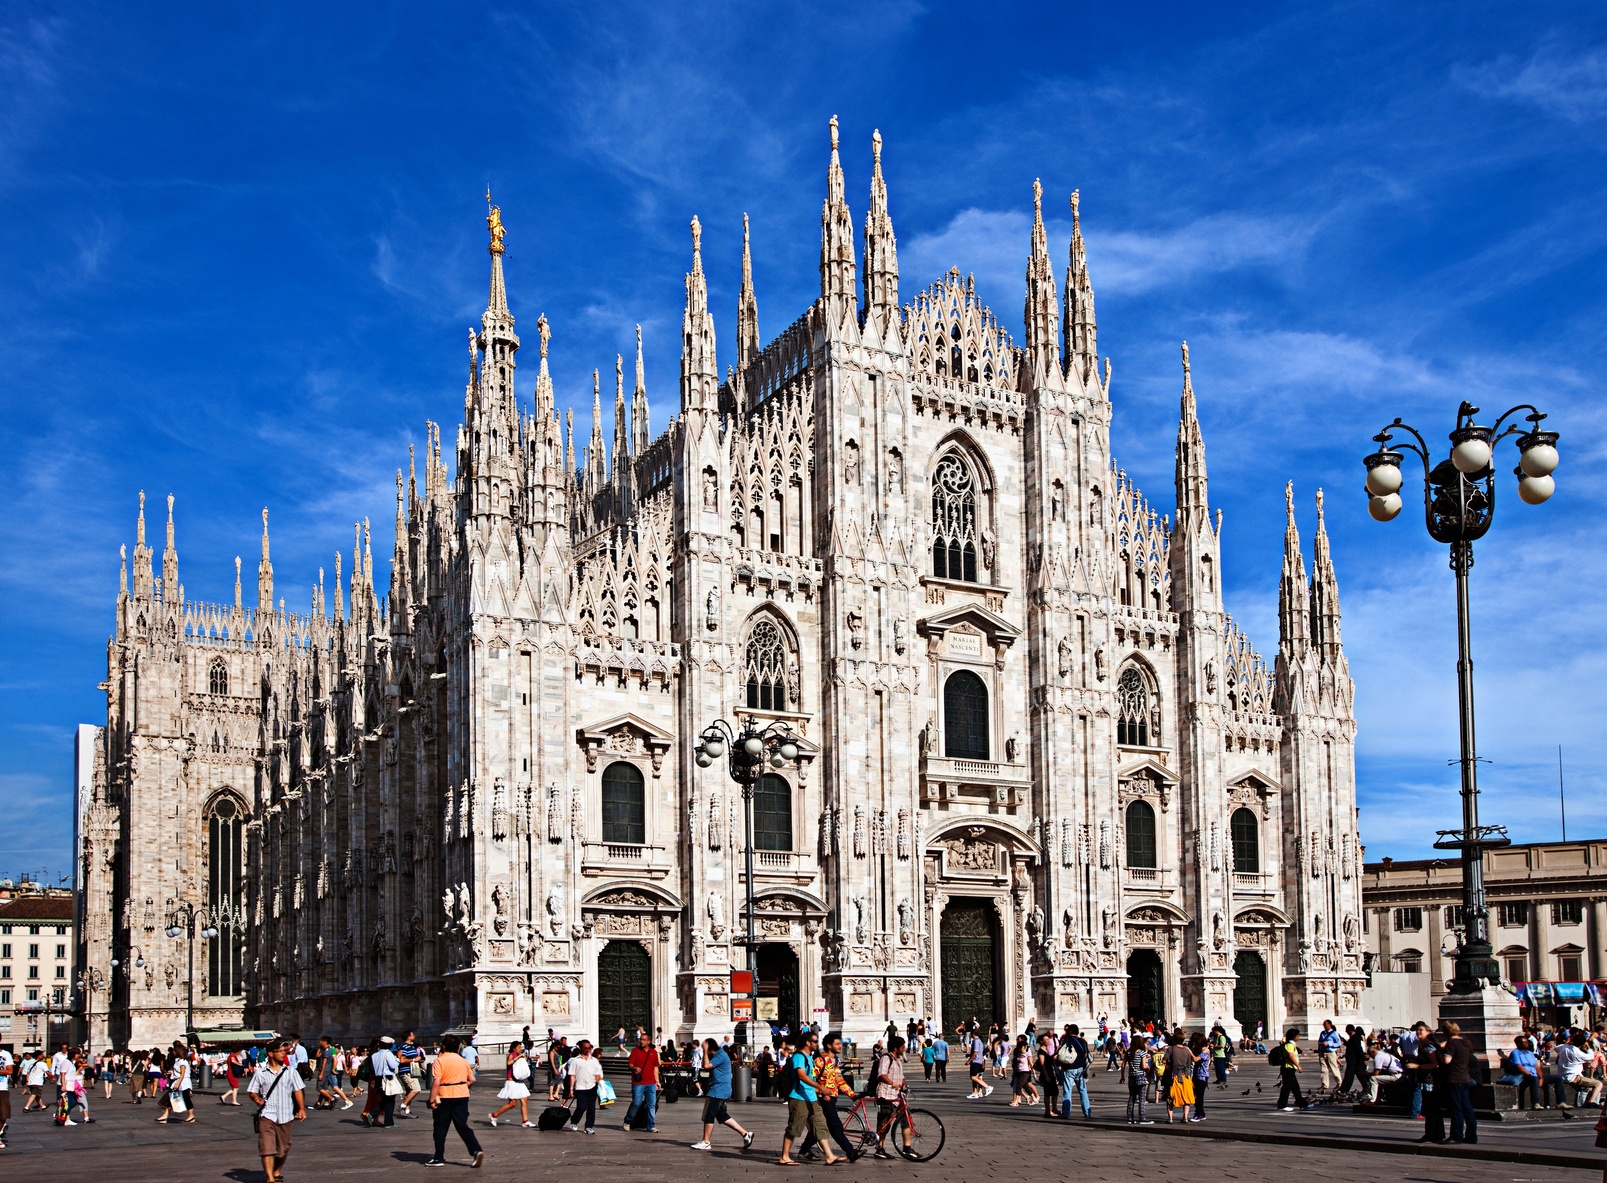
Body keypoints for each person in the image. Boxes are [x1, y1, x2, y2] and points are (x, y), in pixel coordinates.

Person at [777, 1031, 843, 1165]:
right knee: (795, 1127)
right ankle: (784, 1156)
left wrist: (820, 1091)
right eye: (815, 1041)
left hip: (812, 1097)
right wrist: (821, 1087)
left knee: (820, 1125)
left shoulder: (809, 1057)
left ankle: (829, 1156)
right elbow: (801, 1075)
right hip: (798, 1097)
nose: (817, 1044)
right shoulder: (799, 1057)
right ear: (808, 1043)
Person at [248, 1039, 307, 1183]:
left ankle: (276, 1171)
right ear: (271, 1054)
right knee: (267, 1148)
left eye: (285, 1052)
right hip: (267, 1114)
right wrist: (256, 1099)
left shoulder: (291, 1072)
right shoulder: (260, 1073)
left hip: (286, 1115)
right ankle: (270, 1179)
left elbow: (298, 1090)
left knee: (283, 1149)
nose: (284, 1054)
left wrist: (301, 1108)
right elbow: (252, 1091)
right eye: (280, 1051)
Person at [425, 1033, 484, 1168]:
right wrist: (461, 1086)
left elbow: (436, 1082)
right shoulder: (463, 1061)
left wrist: (431, 1099)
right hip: (462, 1095)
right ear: (458, 1048)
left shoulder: (440, 1061)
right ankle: (476, 1149)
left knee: (440, 1127)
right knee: (462, 1125)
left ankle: (438, 1157)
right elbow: (472, 1079)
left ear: (443, 1047)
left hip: (445, 1096)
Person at [799, 1033, 857, 1162]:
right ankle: (850, 1151)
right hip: (822, 1098)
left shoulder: (835, 1060)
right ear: (829, 1045)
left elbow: (838, 1080)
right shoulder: (820, 1060)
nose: (840, 1046)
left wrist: (852, 1094)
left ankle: (804, 1150)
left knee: (821, 1125)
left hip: (831, 1097)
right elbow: (812, 1078)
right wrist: (821, 1093)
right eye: (837, 1044)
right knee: (835, 1125)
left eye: (840, 1044)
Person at [690, 1037, 754, 1151]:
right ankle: (746, 1134)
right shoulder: (719, 1055)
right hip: (720, 1090)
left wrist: (704, 1051)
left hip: (718, 1091)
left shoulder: (720, 1055)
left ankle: (706, 1141)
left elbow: (706, 1066)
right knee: (722, 1116)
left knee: (709, 1115)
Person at [872, 1036, 911, 1159]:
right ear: (896, 1048)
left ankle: (907, 1148)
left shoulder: (898, 1060)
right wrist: (891, 1083)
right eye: (902, 1047)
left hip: (899, 1096)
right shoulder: (886, 1058)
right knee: (884, 1124)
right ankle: (879, 1148)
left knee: (907, 1120)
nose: (904, 1049)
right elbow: (881, 1074)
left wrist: (904, 1083)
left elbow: (901, 1076)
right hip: (887, 1095)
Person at [489, 1042, 533, 1128]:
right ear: (514, 1048)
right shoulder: (511, 1055)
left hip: (519, 1082)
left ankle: (525, 1121)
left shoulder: (519, 1055)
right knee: (512, 1103)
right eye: (519, 1047)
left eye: (521, 1047)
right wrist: (518, 1057)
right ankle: (494, 1115)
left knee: (524, 1100)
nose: (520, 1049)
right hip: (511, 1082)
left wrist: (523, 1057)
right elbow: (509, 1063)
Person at [623, 1030, 660, 1132]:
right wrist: (634, 1068)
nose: (641, 1042)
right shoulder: (635, 1051)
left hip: (651, 1082)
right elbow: (630, 1064)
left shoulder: (653, 1052)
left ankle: (651, 1125)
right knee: (636, 1103)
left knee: (651, 1104)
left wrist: (657, 1081)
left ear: (648, 1041)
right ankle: (628, 1121)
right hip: (638, 1083)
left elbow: (655, 1068)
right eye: (640, 1040)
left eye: (644, 1040)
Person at [564, 1040, 604, 1133]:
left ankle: (589, 1126)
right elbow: (572, 1075)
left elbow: (598, 1073)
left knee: (591, 1108)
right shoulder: (575, 1061)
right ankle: (574, 1120)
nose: (587, 1050)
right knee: (581, 1107)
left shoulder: (594, 1061)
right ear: (580, 1048)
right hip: (580, 1087)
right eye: (585, 1048)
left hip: (592, 1086)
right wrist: (571, 1089)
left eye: (589, 1048)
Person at [365, 1036, 401, 1128]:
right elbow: (393, 1065)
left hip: (378, 1079)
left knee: (387, 1100)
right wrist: (398, 1058)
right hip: (387, 1079)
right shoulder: (388, 1053)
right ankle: (372, 1114)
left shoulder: (374, 1055)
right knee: (388, 1099)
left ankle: (389, 1122)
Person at [1057, 1023, 1091, 1119]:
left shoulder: (1067, 1041)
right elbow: (1085, 1054)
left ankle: (1066, 1113)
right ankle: (1087, 1112)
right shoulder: (1083, 1042)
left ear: (1070, 1031)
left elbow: (1061, 1053)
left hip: (1069, 1069)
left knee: (1067, 1091)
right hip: (1080, 1069)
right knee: (1083, 1090)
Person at [1274, 1029, 1312, 1112]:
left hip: (1290, 1068)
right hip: (1288, 1068)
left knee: (1295, 1088)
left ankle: (1302, 1104)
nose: (1298, 1037)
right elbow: (1291, 1056)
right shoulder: (1290, 1045)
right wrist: (1298, 1066)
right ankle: (1282, 1105)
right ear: (1293, 1036)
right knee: (1286, 1088)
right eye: (1297, 1035)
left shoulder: (1291, 1044)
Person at [1123, 1036, 1153, 1124]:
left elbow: (1123, 1065)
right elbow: (1143, 1066)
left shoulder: (1128, 1052)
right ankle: (1142, 1117)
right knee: (1142, 1098)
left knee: (1132, 1097)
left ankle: (1130, 1118)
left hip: (1131, 1076)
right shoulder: (1142, 1053)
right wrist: (1148, 1068)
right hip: (1140, 1076)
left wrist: (1122, 1076)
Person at [1508, 1034, 1541, 1110]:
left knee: (1557, 1078)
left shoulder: (1530, 1053)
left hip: (1534, 1074)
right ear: (1518, 1044)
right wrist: (1529, 1074)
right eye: (1524, 1042)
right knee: (1533, 1079)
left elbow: (1537, 1066)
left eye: (1527, 1041)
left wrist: (1541, 1077)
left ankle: (1561, 1102)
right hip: (1524, 1076)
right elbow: (1519, 1066)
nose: (1526, 1043)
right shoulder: (1515, 1053)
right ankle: (1535, 1103)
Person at [397, 1030, 425, 1118]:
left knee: (409, 1092)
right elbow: (401, 1059)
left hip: (411, 1072)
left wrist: (418, 1059)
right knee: (416, 1089)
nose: (415, 1036)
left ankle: (407, 1111)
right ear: (408, 1036)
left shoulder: (411, 1046)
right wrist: (414, 1060)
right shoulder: (404, 1046)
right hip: (406, 1072)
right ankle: (402, 1106)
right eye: (413, 1034)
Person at [966, 1028, 992, 1099]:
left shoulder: (976, 1041)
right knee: (975, 1077)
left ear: (973, 1034)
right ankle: (975, 1092)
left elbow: (975, 1052)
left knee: (973, 1077)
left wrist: (969, 1060)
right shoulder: (978, 1041)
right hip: (978, 1060)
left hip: (976, 1061)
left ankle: (987, 1087)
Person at [1316, 1020, 1342, 1091]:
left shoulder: (1334, 1033)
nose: (1324, 1026)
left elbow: (1338, 1043)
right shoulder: (1322, 1033)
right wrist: (1321, 1044)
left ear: (1329, 1025)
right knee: (1323, 1069)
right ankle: (1324, 1084)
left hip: (1331, 1052)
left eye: (1325, 1024)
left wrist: (1329, 1044)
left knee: (1334, 1069)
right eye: (1323, 1024)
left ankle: (1339, 1083)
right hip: (1322, 1052)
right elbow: (1319, 1041)